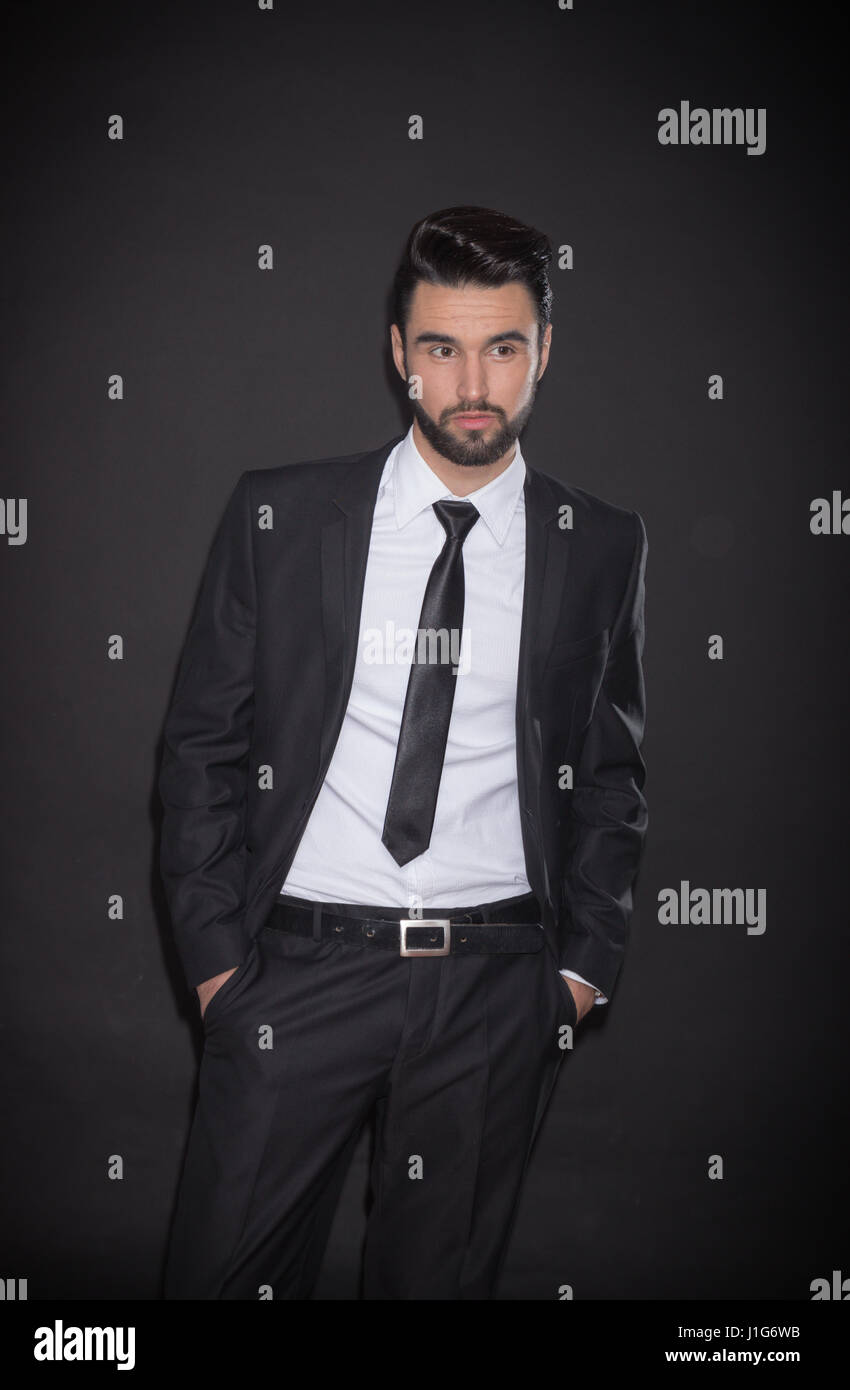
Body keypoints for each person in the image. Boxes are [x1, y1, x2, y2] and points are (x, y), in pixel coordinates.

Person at [158, 205, 648, 1300]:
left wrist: (575, 976)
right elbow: (201, 748)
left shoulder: (601, 544)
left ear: (543, 351)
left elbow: (610, 775)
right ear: (398, 353)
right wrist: (217, 969)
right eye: (441, 347)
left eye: (502, 346)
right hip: (296, 973)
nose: (472, 381)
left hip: (494, 991)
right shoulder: (280, 517)